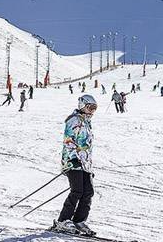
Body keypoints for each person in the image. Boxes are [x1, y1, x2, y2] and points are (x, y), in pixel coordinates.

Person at [54, 95, 97, 236]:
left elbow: (87, 145)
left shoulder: (86, 122)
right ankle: (63, 220)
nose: (92, 111)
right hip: (72, 161)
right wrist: (73, 158)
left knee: (88, 192)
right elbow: (68, 140)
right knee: (77, 191)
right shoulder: (74, 120)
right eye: (90, 107)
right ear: (82, 105)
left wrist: (89, 165)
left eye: (94, 109)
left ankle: (79, 221)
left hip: (85, 164)